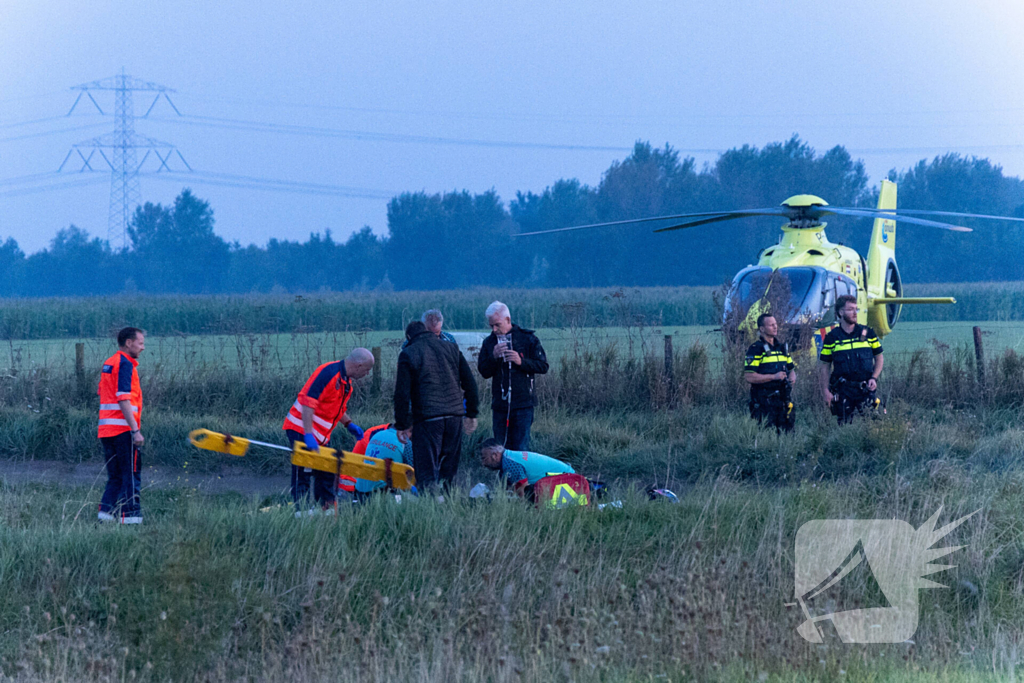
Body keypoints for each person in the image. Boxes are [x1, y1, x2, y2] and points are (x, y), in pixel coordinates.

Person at [283, 348, 374, 510]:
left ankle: (325, 509)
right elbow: (308, 403)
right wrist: (308, 435)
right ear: (359, 365)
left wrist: (349, 424)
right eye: (367, 370)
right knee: (303, 472)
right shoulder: (328, 373)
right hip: (301, 428)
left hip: (320, 435)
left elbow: (335, 408)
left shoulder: (346, 383)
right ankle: (300, 511)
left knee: (327, 470)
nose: (367, 374)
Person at [394, 321, 480, 490]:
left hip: (428, 418)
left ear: (409, 337)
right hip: (455, 416)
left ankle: (430, 509)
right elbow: (470, 383)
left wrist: (402, 424)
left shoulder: (408, 353)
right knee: (449, 470)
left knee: (426, 472)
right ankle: (447, 502)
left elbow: (402, 394)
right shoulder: (452, 348)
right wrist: (471, 413)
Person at [477, 301, 548, 450]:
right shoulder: (489, 342)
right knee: (500, 447)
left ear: (508, 320)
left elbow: (543, 366)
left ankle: (520, 473)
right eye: (491, 326)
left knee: (521, 447)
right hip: (500, 405)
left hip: (523, 404)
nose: (494, 329)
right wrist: (493, 357)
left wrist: (521, 361)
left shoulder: (527, 339)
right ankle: (503, 474)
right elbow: (484, 372)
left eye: (497, 325)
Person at [98, 327, 146, 524]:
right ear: (129, 343)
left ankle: (105, 517)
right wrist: (135, 430)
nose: (143, 348)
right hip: (124, 430)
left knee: (115, 477)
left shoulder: (109, 363)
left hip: (106, 430)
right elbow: (123, 399)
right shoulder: (126, 364)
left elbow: (101, 391)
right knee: (131, 475)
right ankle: (131, 518)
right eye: (140, 343)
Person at [819, 295, 885, 424]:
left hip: (865, 388)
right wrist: (825, 391)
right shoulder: (832, 338)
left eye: (856, 309)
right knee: (843, 426)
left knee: (872, 425)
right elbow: (825, 366)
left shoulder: (868, 333)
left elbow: (879, 357)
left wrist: (874, 378)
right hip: (843, 390)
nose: (855, 313)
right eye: (850, 309)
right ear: (840, 312)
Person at [744, 313, 796, 433]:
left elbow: (792, 369)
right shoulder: (756, 349)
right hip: (764, 401)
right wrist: (773, 377)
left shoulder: (782, 348)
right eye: (771, 325)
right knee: (766, 435)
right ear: (762, 329)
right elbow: (749, 376)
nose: (775, 327)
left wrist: (792, 379)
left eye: (776, 324)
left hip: (783, 400)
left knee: (787, 435)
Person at [479, 437, 575, 493]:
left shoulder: (510, 463)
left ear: (495, 455)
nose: (483, 464)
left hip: (567, 481)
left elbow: (523, 489)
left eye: (484, 458)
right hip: (567, 476)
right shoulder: (509, 457)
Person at [351, 424, 413, 498]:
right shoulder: (406, 443)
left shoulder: (378, 434)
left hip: (359, 492)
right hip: (383, 494)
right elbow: (413, 475)